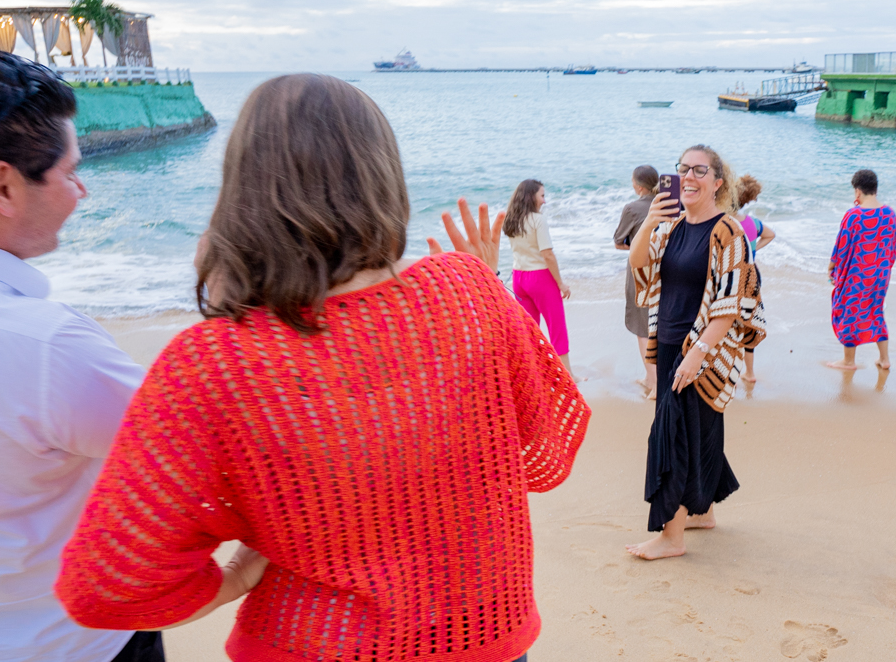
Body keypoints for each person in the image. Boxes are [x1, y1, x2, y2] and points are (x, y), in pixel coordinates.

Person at [55, 74, 590, 662]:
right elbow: (546, 457)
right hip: (484, 635)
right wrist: (484, 289)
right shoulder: (469, 292)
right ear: (383, 175)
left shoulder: (212, 363)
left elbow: (104, 584)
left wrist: (230, 580)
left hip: (314, 643)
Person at [0, 45, 160, 661]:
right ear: (2, 185)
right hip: (64, 645)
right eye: (69, 171)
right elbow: (205, 451)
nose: (80, 192)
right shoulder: (44, 346)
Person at [624, 144, 766, 560]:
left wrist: (698, 353)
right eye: (682, 169)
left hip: (702, 351)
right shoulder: (670, 227)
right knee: (700, 430)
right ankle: (700, 512)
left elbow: (731, 299)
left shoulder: (729, 231)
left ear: (718, 182)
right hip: (669, 343)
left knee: (674, 435)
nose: (688, 177)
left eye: (699, 170)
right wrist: (650, 221)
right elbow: (639, 267)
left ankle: (672, 537)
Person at [826, 169, 896, 371]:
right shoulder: (889, 213)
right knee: (875, 311)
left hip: (858, 275)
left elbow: (842, 247)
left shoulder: (854, 215)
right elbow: (895, 245)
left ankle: (849, 361)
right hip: (880, 275)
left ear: (857, 192)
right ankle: (884, 359)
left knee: (848, 310)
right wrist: (884, 267)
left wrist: (831, 268)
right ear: (875, 189)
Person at [503, 179, 576, 376]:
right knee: (556, 327)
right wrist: (561, 283)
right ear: (531, 197)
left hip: (519, 278)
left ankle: (532, 373)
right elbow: (547, 254)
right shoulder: (538, 220)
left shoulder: (511, 219)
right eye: (542, 196)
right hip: (540, 279)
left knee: (529, 330)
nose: (544, 201)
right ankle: (567, 375)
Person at [614, 165, 660, 398]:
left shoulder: (632, 208)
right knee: (660, 324)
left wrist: (637, 245)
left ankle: (654, 382)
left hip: (641, 270)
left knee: (643, 328)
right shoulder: (669, 205)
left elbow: (618, 241)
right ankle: (649, 376)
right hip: (667, 269)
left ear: (639, 186)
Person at [733, 174, 775, 383]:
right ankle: (749, 373)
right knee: (749, 321)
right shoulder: (752, 222)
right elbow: (770, 234)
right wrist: (754, 250)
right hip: (751, 274)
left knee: (724, 320)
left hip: (731, 276)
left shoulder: (722, 222)